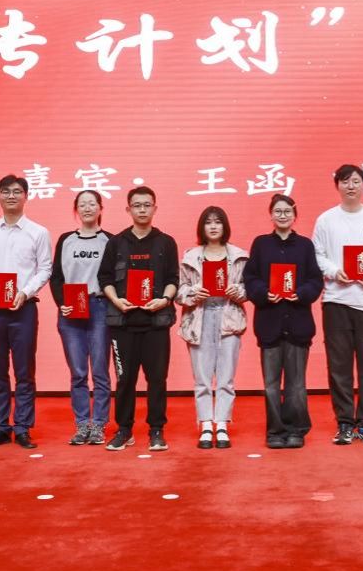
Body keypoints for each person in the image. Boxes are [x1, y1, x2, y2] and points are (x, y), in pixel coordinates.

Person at [312, 164, 363, 445]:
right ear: (337, 185)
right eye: (345, 181)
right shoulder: (326, 220)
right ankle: (345, 423)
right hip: (336, 301)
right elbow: (318, 255)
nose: (350, 186)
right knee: (339, 367)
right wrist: (335, 271)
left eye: (356, 181)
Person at [0, 174, 52, 450]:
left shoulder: (38, 232)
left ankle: (23, 428)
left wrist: (25, 292)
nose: (11, 196)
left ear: (26, 196)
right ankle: (0, 428)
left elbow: (45, 269)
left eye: (17, 191)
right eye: (5, 191)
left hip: (23, 309)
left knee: (24, 371)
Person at [99, 186, 179, 452]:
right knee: (124, 380)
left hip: (156, 323)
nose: (142, 210)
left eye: (147, 205)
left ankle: (156, 430)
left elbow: (173, 278)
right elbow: (105, 278)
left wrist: (165, 300)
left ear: (154, 208)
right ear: (128, 209)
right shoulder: (116, 242)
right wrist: (116, 300)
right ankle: (124, 430)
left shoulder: (166, 242)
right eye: (137, 205)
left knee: (157, 379)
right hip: (123, 323)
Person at [243, 194, 324, 449]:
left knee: (296, 385)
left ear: (295, 215)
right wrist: (263, 292)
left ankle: (296, 429)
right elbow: (250, 277)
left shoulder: (305, 245)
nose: (282, 215)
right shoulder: (261, 244)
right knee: (270, 385)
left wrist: (301, 293)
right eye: (278, 211)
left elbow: (315, 280)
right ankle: (275, 431)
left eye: (287, 211)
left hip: (298, 323)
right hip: (269, 323)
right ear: (271, 215)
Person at [177, 206, 248, 450]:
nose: (214, 226)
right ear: (202, 227)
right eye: (209, 222)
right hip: (200, 317)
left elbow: (249, 287)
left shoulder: (239, 256)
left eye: (218, 222)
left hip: (229, 317)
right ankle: (206, 424)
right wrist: (192, 293)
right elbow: (179, 290)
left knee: (226, 377)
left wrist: (239, 291)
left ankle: (222, 424)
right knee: (202, 377)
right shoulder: (190, 256)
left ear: (225, 226)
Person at [48, 190, 111, 446]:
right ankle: (82, 424)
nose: (87, 208)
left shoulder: (110, 240)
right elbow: (56, 277)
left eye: (92, 204)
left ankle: (99, 425)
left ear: (100, 208)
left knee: (100, 370)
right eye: (82, 204)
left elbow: (113, 277)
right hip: (71, 309)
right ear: (76, 209)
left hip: (99, 307)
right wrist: (62, 303)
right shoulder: (66, 240)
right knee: (77, 371)